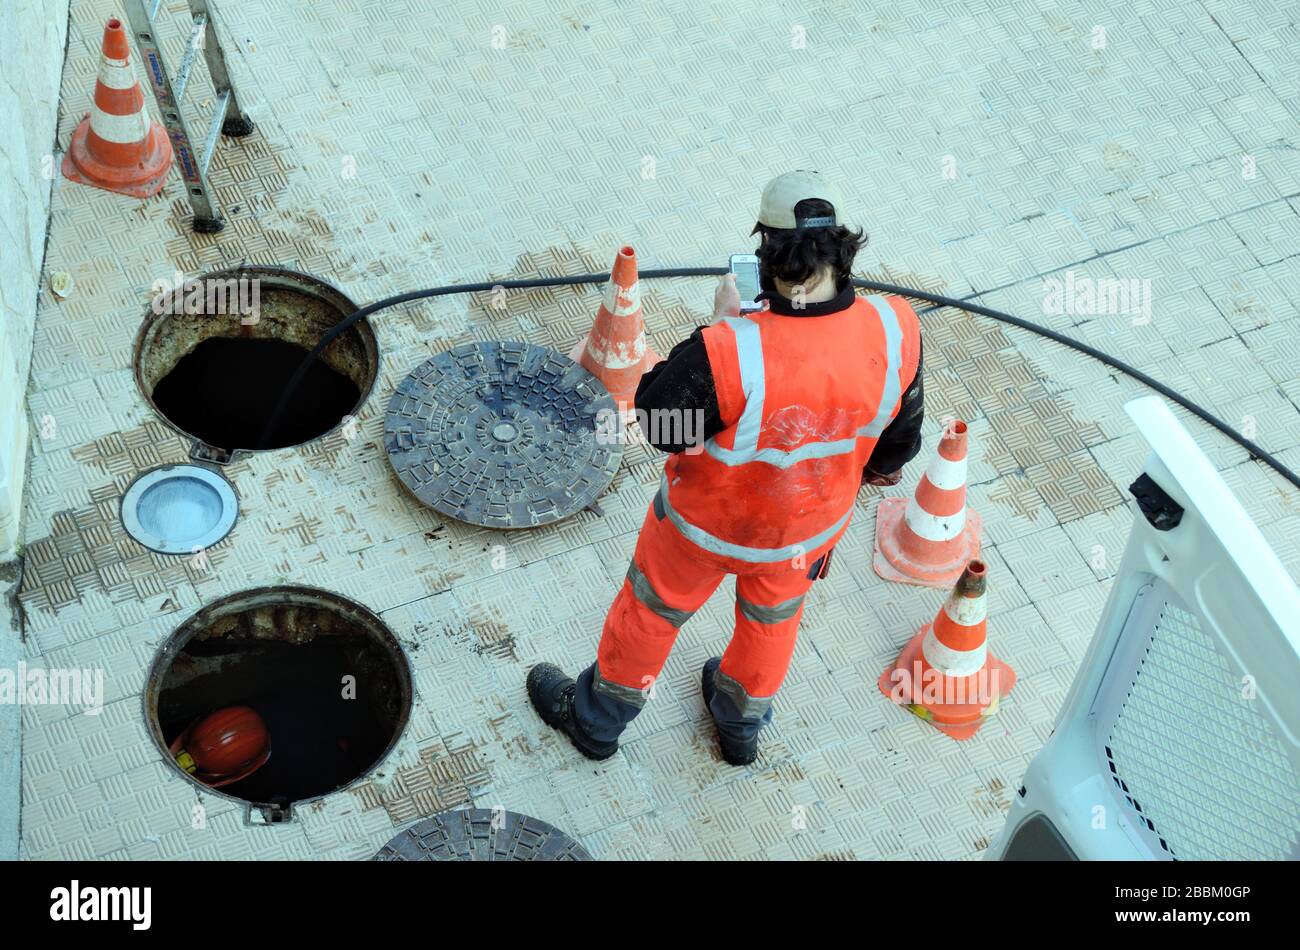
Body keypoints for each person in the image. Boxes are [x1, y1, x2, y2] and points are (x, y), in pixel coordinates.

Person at [528, 170, 925, 765]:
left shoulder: (728, 349)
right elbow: (896, 449)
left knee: (651, 614)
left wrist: (721, 325)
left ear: (768, 253)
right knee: (772, 625)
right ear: (841, 250)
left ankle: (596, 722)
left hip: (701, 532)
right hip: (801, 538)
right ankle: (739, 728)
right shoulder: (897, 329)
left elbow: (661, 428)